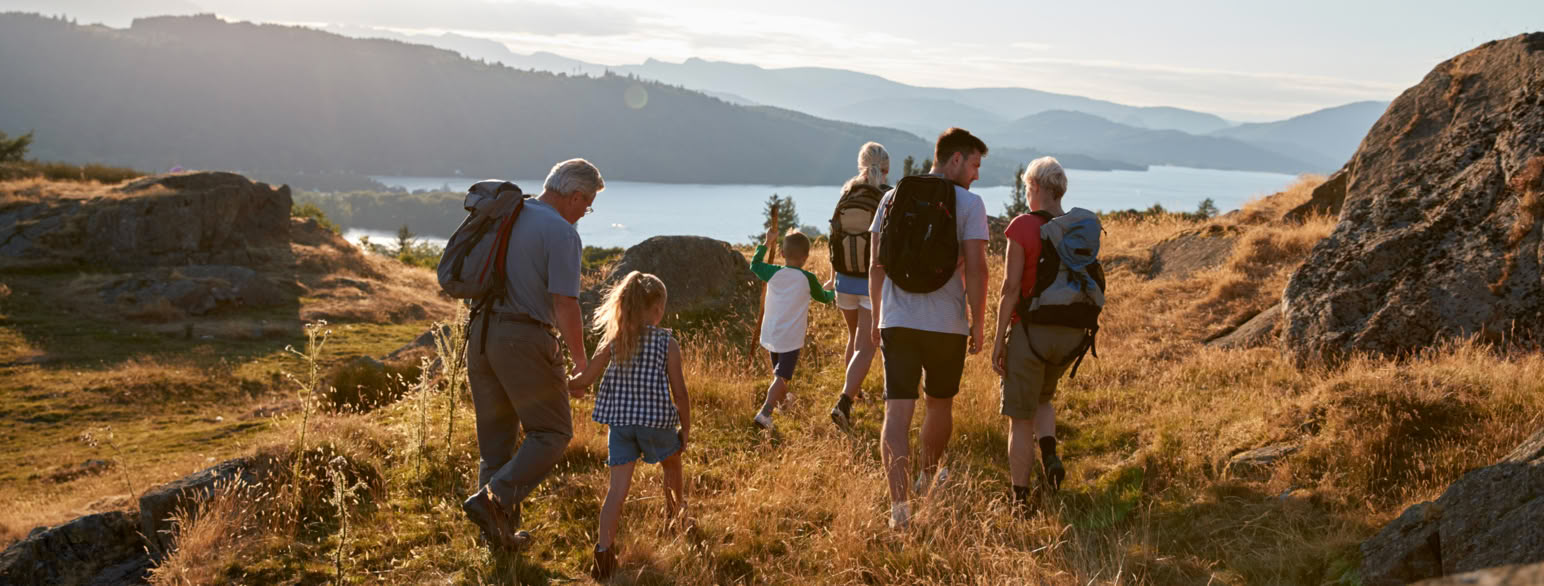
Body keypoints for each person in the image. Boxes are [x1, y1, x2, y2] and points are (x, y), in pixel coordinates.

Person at [461, 158, 602, 551]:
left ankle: (500, 540)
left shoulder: (509, 214)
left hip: (480, 335)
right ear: (575, 195)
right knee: (553, 432)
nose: (585, 214)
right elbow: (565, 304)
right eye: (587, 205)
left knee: (496, 446)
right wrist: (580, 358)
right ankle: (492, 502)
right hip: (523, 339)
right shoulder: (560, 232)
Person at [868, 128, 990, 529]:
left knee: (897, 412)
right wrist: (978, 322)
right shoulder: (969, 204)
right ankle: (925, 476)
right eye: (973, 165)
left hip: (898, 321)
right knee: (939, 405)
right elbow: (977, 268)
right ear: (954, 159)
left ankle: (898, 510)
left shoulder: (891, 197)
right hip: (946, 325)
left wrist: (876, 319)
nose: (975, 175)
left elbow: (877, 265)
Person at [568, 271, 691, 581]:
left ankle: (603, 553)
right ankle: (673, 522)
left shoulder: (615, 340)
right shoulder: (667, 342)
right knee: (672, 466)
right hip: (656, 423)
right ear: (657, 309)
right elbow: (681, 393)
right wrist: (684, 430)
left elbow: (583, 381)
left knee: (616, 491)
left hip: (620, 425)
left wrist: (561, 380)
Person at [990, 156, 1088, 513]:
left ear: (1035, 188)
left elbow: (1009, 288)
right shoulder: (1078, 227)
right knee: (1044, 398)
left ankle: (1019, 498)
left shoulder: (1023, 227)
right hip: (1072, 335)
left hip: (1031, 334)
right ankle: (1050, 457)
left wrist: (999, 339)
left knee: (1020, 417)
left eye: (1028, 187)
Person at [828, 142, 890, 431]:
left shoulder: (847, 192)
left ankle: (854, 390)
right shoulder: (885, 197)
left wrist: (832, 276)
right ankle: (844, 401)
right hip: (869, 281)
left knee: (853, 337)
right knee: (867, 346)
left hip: (843, 280)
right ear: (885, 169)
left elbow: (833, 238)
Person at [751, 227, 835, 430]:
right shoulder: (808, 279)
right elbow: (823, 298)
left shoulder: (773, 273)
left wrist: (767, 241)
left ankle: (782, 403)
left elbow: (755, 264)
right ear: (806, 257)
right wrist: (832, 289)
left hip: (772, 333)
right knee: (783, 376)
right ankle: (765, 412)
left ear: (781, 254)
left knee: (779, 375)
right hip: (790, 339)